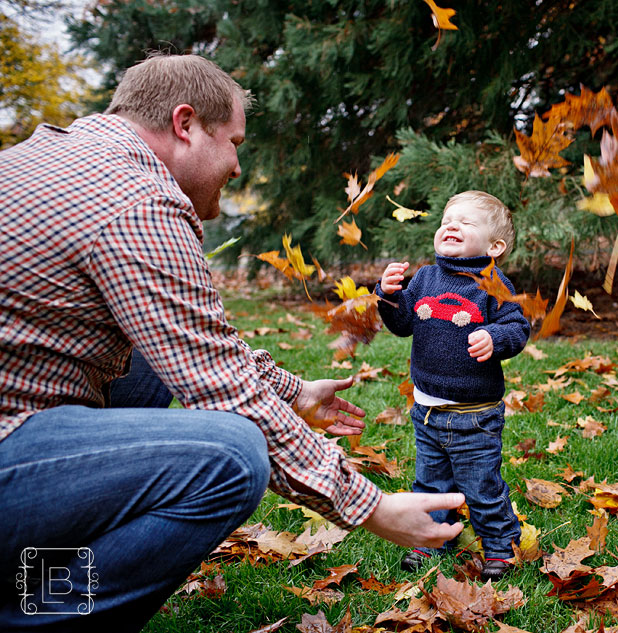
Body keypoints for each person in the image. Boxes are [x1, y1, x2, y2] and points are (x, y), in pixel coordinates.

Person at [0, 53, 464, 631]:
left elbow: (191, 340)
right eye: (235, 141)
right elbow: (224, 391)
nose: (239, 166)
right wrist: (369, 506)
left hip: (22, 418)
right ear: (185, 123)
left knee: (146, 361)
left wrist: (292, 392)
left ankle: (30, 576)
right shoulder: (136, 198)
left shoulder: (54, 156)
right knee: (231, 454)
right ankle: (33, 615)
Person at [375, 190, 530, 581]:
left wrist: (495, 337)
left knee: (481, 486)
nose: (452, 226)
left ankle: (500, 546)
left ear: (494, 246)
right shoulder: (426, 277)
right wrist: (389, 297)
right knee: (429, 482)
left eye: (466, 222)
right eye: (447, 220)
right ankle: (431, 539)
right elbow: (403, 324)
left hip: (474, 415)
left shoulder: (494, 284)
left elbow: (518, 327)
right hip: (426, 411)